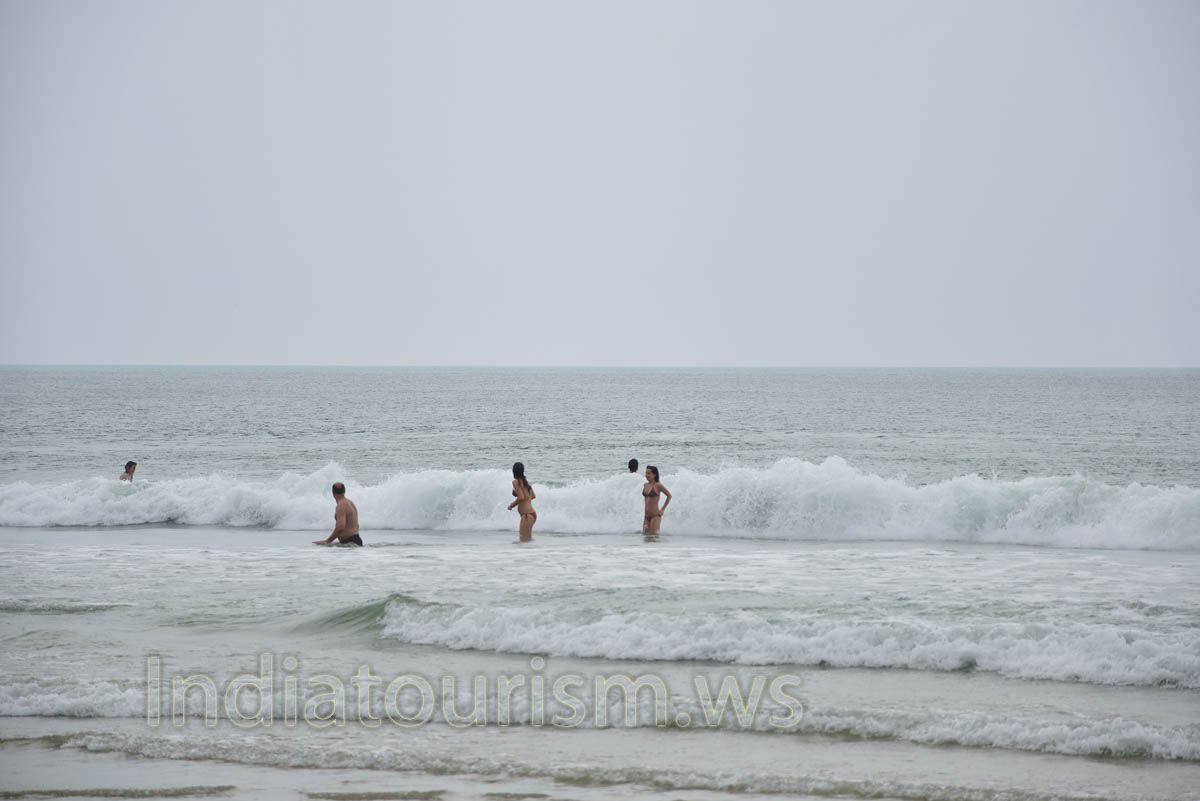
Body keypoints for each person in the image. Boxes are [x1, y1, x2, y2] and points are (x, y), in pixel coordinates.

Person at [506, 462, 536, 542]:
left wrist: (511, 505)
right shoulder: (526, 482)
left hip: (527, 515)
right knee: (527, 539)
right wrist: (519, 494)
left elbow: (521, 497)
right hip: (531, 514)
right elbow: (533, 496)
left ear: (514, 471)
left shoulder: (515, 482)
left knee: (523, 539)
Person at [642, 465, 671, 535]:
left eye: (648, 473)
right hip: (646, 517)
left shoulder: (658, 485)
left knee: (654, 538)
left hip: (655, 516)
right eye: (646, 473)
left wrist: (663, 509)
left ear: (654, 474)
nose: (646, 475)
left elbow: (669, 496)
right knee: (645, 538)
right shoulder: (645, 485)